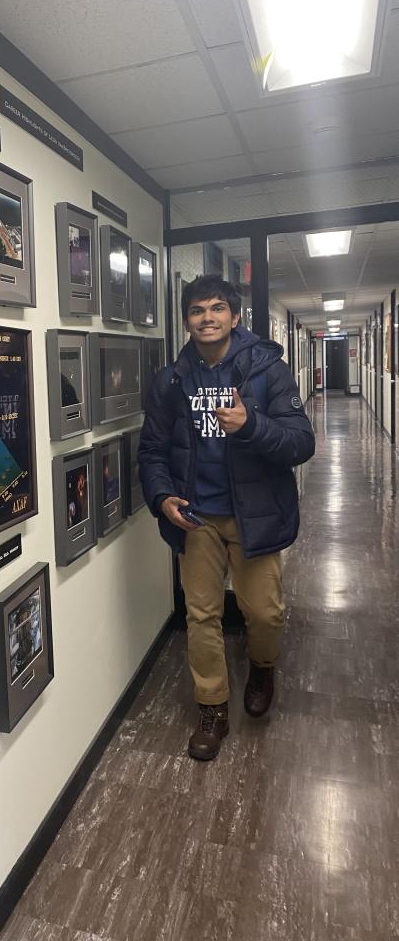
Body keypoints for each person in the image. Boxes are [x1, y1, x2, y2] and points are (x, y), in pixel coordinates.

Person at [138, 275, 315, 761]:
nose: (208, 317)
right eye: (197, 310)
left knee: (264, 612)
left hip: (254, 515)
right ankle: (211, 708)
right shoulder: (171, 380)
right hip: (196, 517)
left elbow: (302, 443)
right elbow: (152, 450)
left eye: (218, 308)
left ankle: (262, 665)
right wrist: (162, 498)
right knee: (202, 615)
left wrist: (251, 425)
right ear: (187, 320)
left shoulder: (267, 371)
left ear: (235, 318)